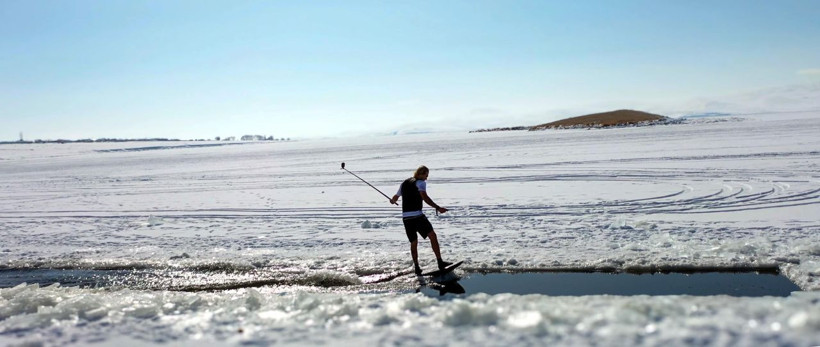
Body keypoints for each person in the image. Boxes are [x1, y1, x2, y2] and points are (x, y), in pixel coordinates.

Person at [389, 165, 452, 275]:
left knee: (414, 242)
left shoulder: (404, 183)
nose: (426, 178)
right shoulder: (420, 183)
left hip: (406, 218)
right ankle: (440, 262)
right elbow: (425, 197)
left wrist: (393, 200)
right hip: (417, 216)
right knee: (432, 236)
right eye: (426, 175)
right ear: (420, 174)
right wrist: (437, 207)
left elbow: (395, 198)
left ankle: (417, 268)